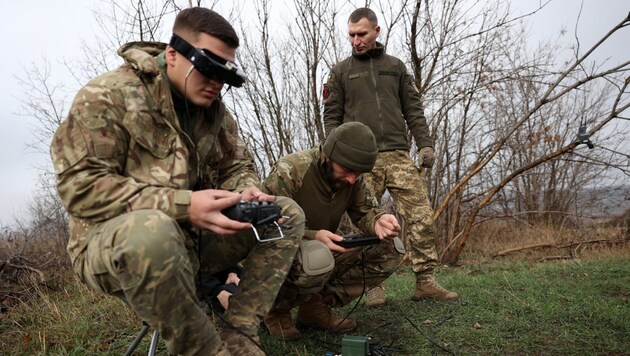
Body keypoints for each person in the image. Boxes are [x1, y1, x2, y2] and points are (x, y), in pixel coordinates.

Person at [50, 7, 305, 356]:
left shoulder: (213, 111)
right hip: (114, 246)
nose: (216, 84)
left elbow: (237, 165)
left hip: (194, 241)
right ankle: (204, 349)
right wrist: (184, 206)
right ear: (173, 53)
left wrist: (245, 190)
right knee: (154, 232)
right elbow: (80, 189)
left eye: (224, 75)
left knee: (283, 213)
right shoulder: (108, 96)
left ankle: (240, 334)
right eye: (208, 70)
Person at [323, 7, 458, 304]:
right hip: (361, 161)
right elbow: (331, 117)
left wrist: (425, 144)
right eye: (351, 35)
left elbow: (413, 109)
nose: (356, 40)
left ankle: (425, 281)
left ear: (376, 31)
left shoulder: (395, 67)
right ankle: (371, 286)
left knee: (421, 215)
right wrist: (333, 154)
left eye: (362, 34)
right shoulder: (340, 71)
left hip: (397, 154)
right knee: (368, 223)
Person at [261, 122, 402, 340]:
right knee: (316, 255)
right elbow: (264, 225)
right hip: (280, 255)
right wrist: (312, 236)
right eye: (346, 171)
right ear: (328, 156)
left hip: (321, 253)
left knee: (390, 247)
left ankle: (314, 307)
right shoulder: (291, 170)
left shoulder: (353, 179)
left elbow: (364, 211)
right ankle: (275, 310)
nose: (351, 179)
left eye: (358, 173)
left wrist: (378, 220)